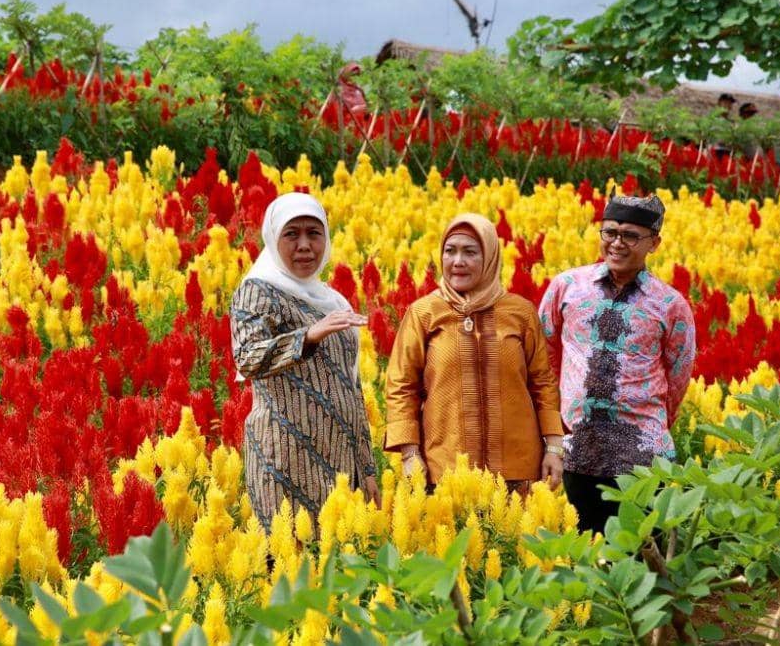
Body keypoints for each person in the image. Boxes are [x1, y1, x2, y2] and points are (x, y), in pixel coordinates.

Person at [538, 195, 696, 534]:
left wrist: (648, 426)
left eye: (630, 236)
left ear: (654, 242)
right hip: (576, 449)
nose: (617, 243)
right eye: (610, 232)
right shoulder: (567, 287)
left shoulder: (670, 304)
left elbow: (678, 375)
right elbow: (541, 354)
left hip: (641, 458)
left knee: (638, 555)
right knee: (579, 553)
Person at [231, 192, 379, 531]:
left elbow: (351, 390)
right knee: (289, 565)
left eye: (314, 233)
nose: (304, 245)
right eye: (291, 233)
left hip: (341, 464)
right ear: (273, 237)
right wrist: (308, 336)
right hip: (285, 462)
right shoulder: (258, 290)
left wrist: (367, 469)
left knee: (337, 567)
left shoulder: (333, 300)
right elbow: (247, 358)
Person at [384, 213, 564, 493]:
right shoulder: (423, 313)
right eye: (450, 251)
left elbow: (543, 383)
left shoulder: (520, 312)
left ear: (490, 256)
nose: (458, 261)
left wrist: (554, 447)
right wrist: (410, 454)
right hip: (445, 468)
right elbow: (401, 386)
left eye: (470, 252)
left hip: (517, 469)